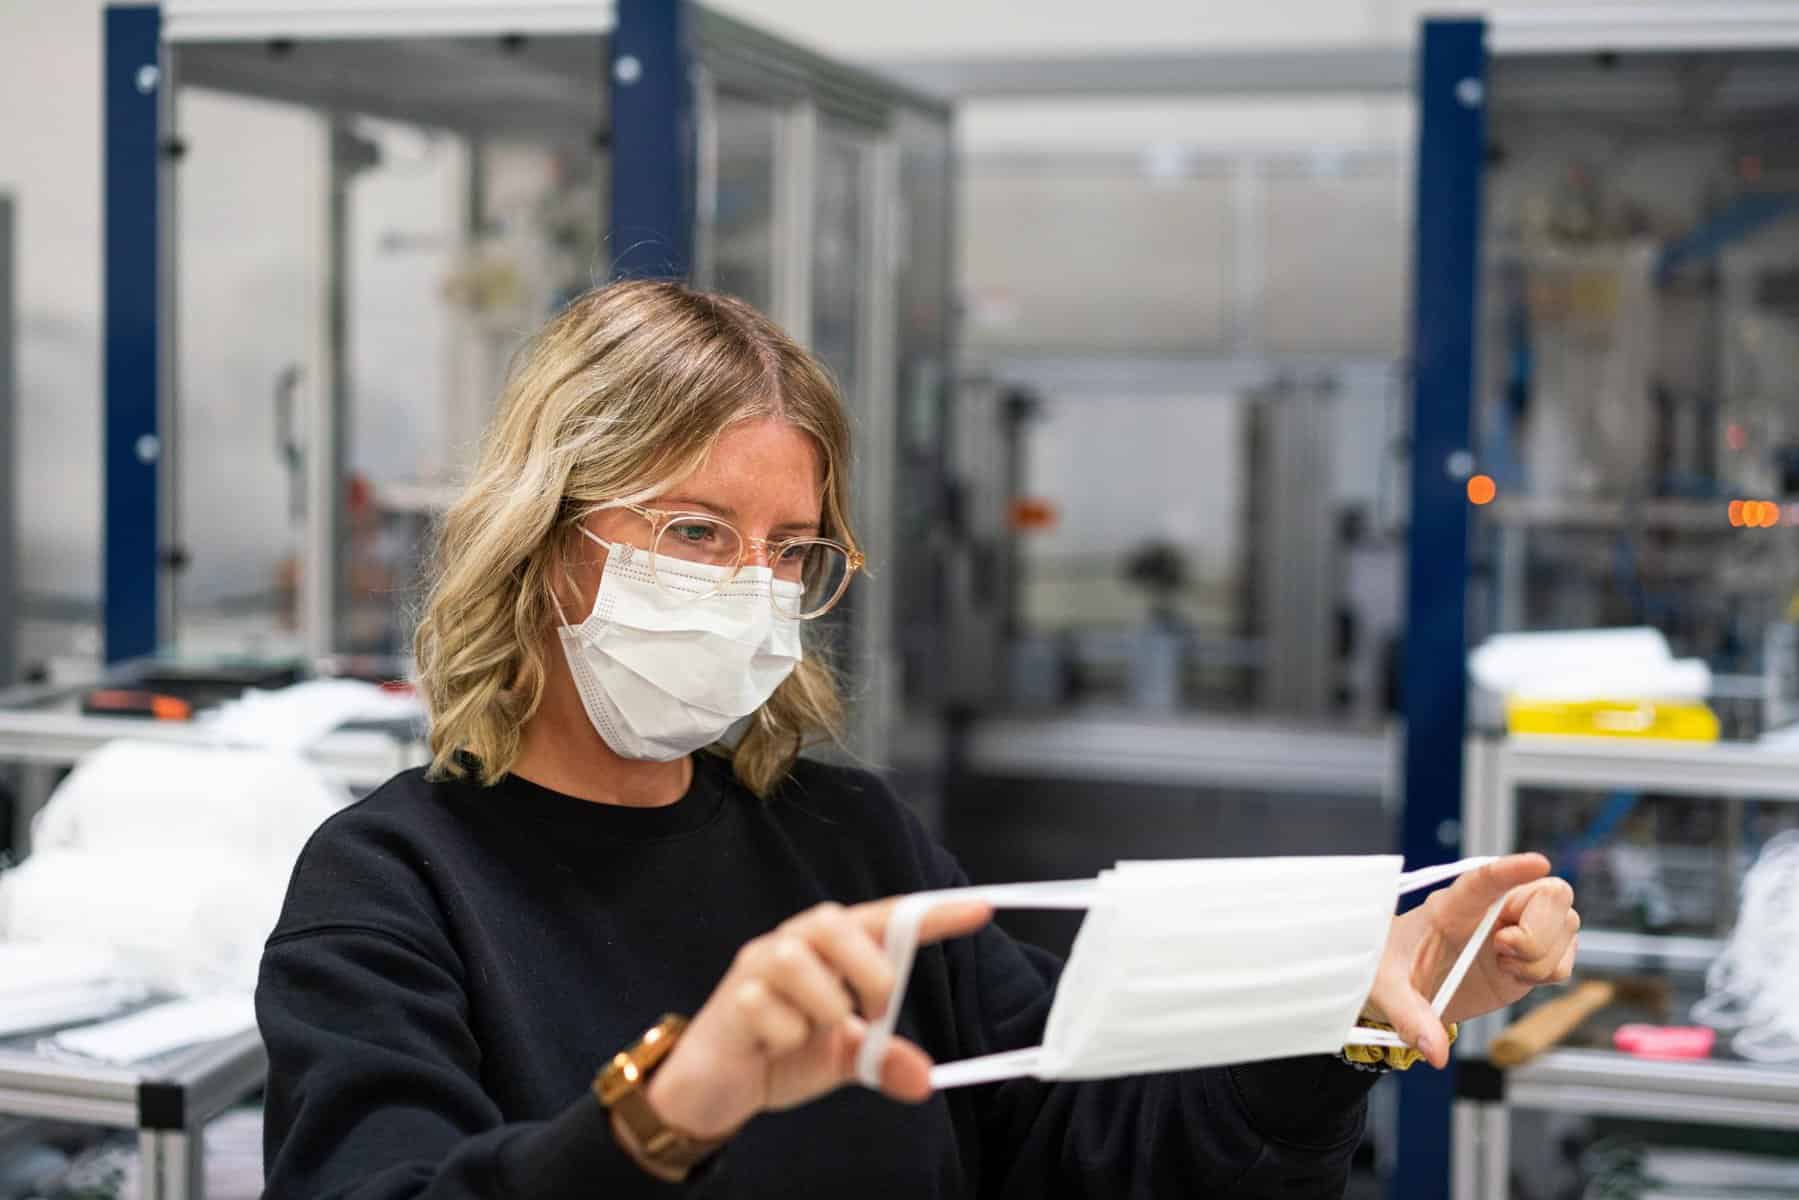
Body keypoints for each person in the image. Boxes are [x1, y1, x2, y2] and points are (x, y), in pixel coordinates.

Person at [257, 280, 1580, 1198]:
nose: (748, 588)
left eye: (789, 551)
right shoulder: (394, 885)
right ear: (547, 544)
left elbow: (1093, 1151)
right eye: (695, 533)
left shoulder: (847, 840)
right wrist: (664, 1113)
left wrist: (1336, 1016)